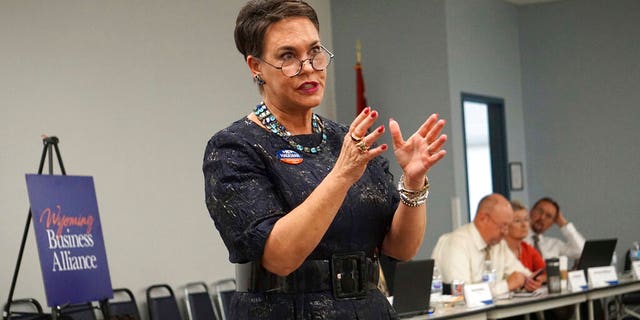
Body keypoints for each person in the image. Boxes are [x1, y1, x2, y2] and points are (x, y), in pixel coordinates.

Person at [202, 1, 447, 318]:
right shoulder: (234, 148)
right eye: (288, 56)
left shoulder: (349, 140)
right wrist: (341, 176)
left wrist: (413, 183)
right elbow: (280, 257)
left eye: (315, 52)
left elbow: (400, 248)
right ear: (256, 66)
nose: (308, 67)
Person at [431, 194, 542, 297]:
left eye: (508, 226)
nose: (506, 232)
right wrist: (506, 286)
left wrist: (530, 281)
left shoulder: (499, 244)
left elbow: (524, 274)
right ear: (483, 219)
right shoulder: (456, 243)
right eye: (503, 226)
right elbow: (461, 293)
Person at [505, 201, 546, 282]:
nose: (524, 225)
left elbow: (545, 272)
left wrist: (537, 280)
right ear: (505, 225)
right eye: (517, 221)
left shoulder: (527, 248)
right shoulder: (498, 249)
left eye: (526, 220)